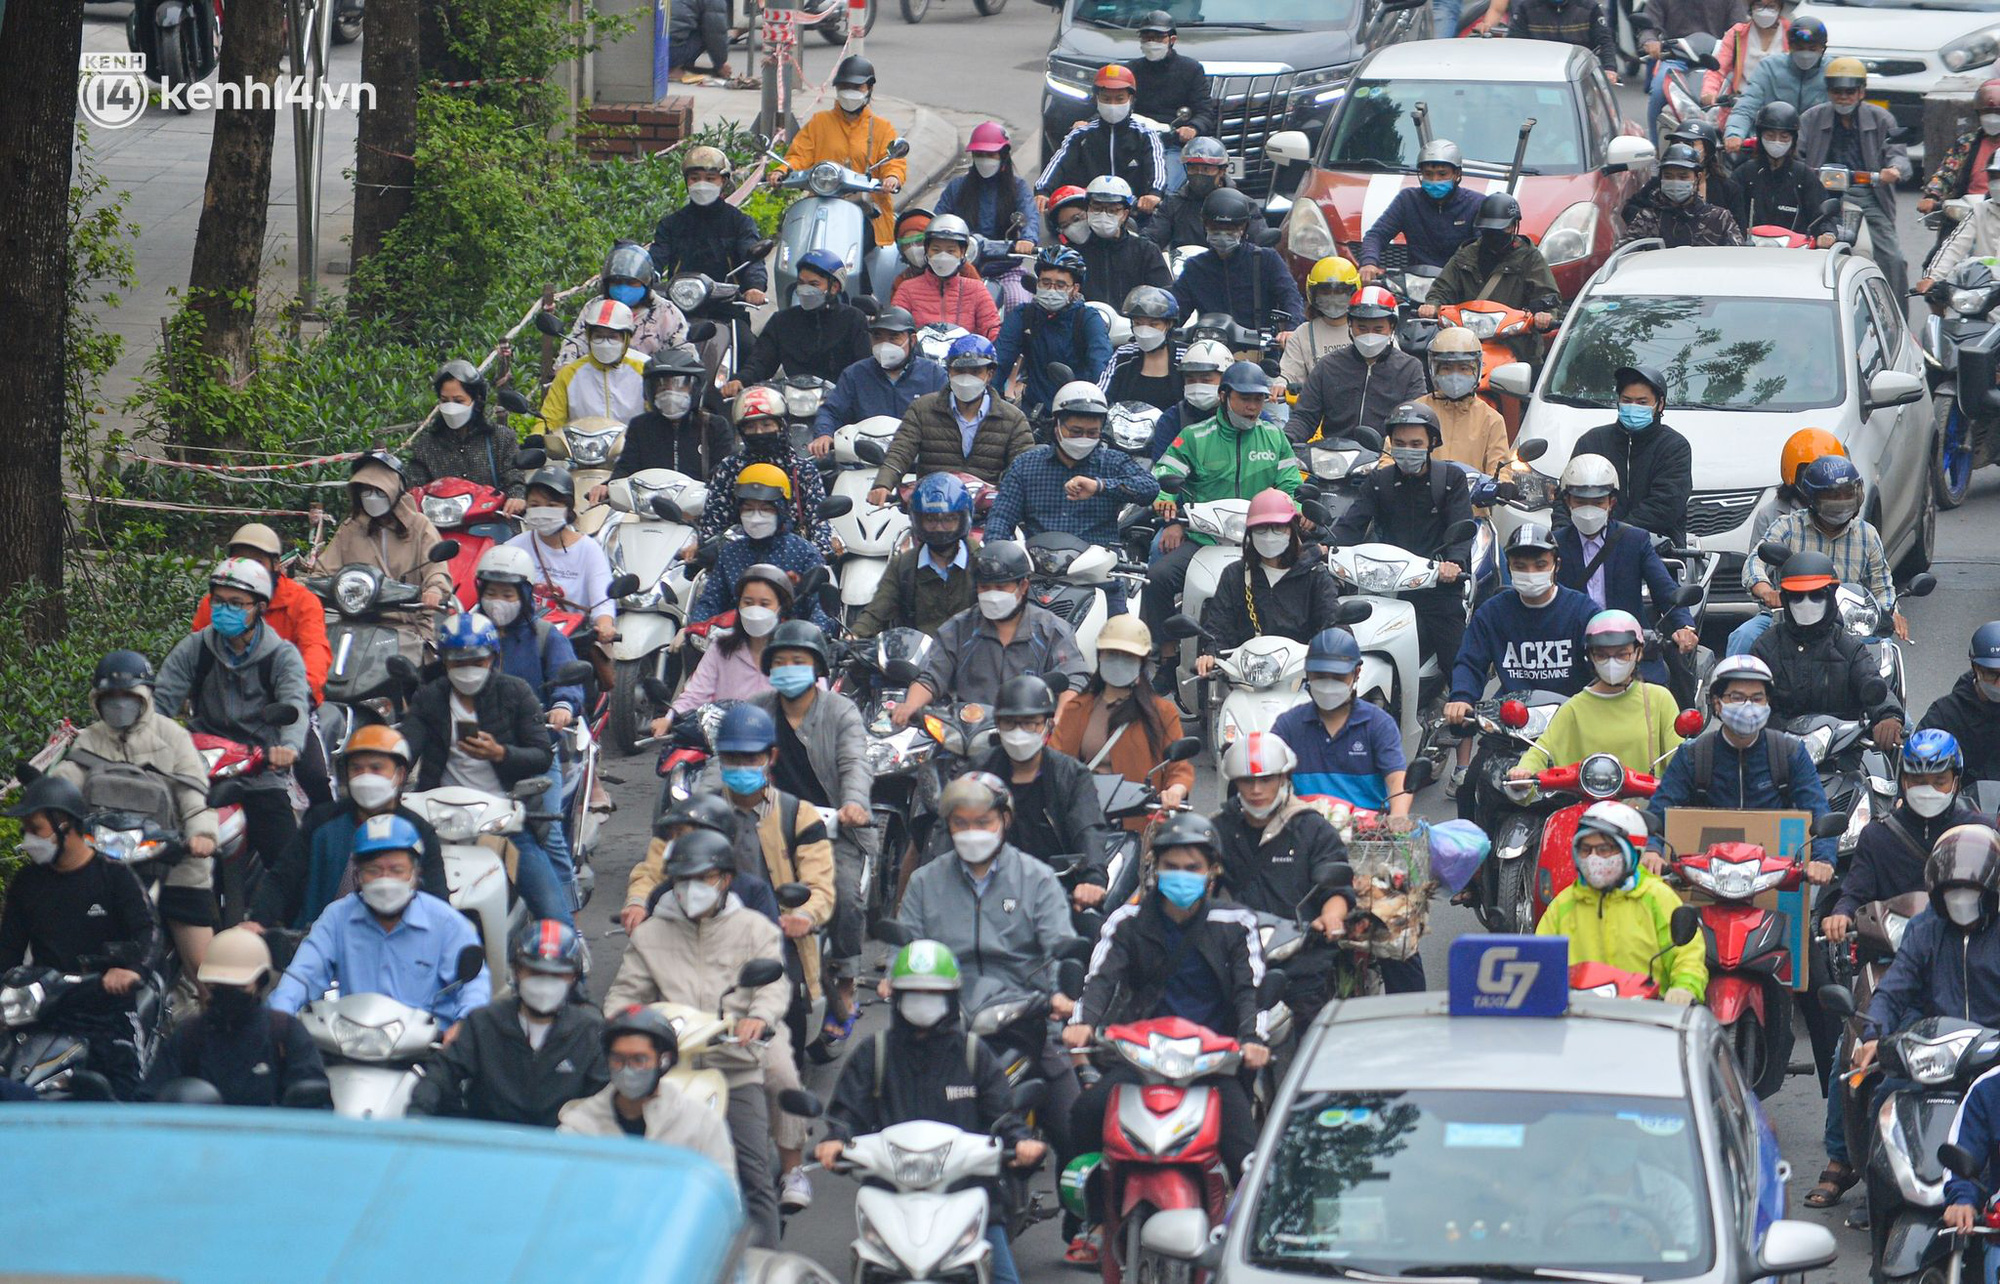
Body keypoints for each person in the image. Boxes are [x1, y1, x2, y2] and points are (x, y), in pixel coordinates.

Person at [1812, 729, 1979, 1206]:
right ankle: (1844, 1158)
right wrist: (1842, 914)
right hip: (1890, 959)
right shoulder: (1879, 836)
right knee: (1856, 1048)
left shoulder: (1980, 829)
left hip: (1966, 957)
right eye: (1916, 776)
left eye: (1938, 777)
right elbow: (1855, 889)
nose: (1927, 785)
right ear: (1901, 780)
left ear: (1955, 779)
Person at [894, 777, 1081, 1200]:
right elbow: (904, 948)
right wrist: (896, 979)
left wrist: (1058, 997)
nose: (972, 832)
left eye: (983, 821)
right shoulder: (925, 882)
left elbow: (1058, 949)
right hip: (944, 1019)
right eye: (961, 823)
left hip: (1024, 1018)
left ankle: (1082, 1225)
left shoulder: (1036, 879)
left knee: (1073, 1117)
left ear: (1004, 820)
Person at [601, 829, 789, 1246]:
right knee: (627, 1163)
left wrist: (757, 1018)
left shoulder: (755, 929)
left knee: (753, 1174)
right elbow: (625, 994)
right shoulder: (650, 934)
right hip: (667, 1070)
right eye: (681, 880)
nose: (691, 889)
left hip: (734, 1065)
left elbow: (773, 986)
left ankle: (767, 1262)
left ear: (724, 880)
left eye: (703, 878)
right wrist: (622, 1021)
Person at [820, 941, 1046, 1284]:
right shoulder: (875, 1052)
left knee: (1004, 1278)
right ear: (897, 997)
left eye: (932, 992)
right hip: (892, 1196)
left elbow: (1003, 1116)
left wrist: (1020, 1142)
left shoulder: (973, 1055)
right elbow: (847, 1111)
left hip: (967, 1193)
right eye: (914, 992)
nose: (923, 1000)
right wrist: (835, 1139)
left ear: (951, 997)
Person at [1063, 814, 1268, 1183]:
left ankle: (1245, 1236)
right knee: (1085, 1113)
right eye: (1171, 866)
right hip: (1141, 1059)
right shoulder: (1127, 920)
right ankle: (1088, 1223)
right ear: (1155, 867)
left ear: (1212, 871)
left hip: (1212, 1063)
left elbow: (1248, 990)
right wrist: (1082, 1024)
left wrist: (1251, 1040)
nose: (1181, 875)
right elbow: (1100, 980)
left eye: (1192, 867)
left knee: (1247, 1159)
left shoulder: (1236, 923)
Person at [724, 621, 875, 1046]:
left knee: (843, 895)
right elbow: (726, 762)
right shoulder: (756, 708)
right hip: (764, 823)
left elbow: (854, 763)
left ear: (817, 667)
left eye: (799, 661)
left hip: (831, 832)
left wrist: (855, 803)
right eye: (781, 662)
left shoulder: (840, 711)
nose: (789, 668)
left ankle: (844, 979)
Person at [399, 612, 575, 927]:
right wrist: (390, 766)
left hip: (502, 824)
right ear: (445, 663)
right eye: (457, 662)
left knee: (554, 916)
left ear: (493, 659)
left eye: (477, 662)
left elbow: (540, 755)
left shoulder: (516, 692)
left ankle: (569, 953)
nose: (467, 670)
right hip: (440, 821)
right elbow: (406, 748)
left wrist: (500, 753)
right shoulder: (430, 698)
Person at [52, 650, 219, 973]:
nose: (119, 704)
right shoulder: (87, 740)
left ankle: (211, 1010)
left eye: (127, 696)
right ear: (96, 700)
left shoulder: (174, 737)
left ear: (145, 697)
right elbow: (67, 785)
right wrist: (48, 810)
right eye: (109, 697)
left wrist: (202, 835)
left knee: (206, 968)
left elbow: (193, 796)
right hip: (104, 866)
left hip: (174, 864)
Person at [155, 558, 312, 890]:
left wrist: (289, 748)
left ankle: (292, 931)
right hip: (201, 767)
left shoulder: (282, 656)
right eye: (219, 601)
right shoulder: (195, 648)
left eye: (237, 604)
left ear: (259, 608)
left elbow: (295, 705)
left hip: (261, 770)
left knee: (289, 864)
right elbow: (161, 702)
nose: (225, 610)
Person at [0, 776, 161, 1099]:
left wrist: (131, 971)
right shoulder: (26, 882)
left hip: (107, 1011)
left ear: (65, 826)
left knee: (126, 1089)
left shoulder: (114, 877)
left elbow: (149, 932)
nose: (28, 838)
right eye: (26, 829)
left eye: (36, 828)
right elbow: (8, 950)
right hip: (44, 1010)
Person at [1145, 361, 1303, 680]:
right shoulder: (1194, 436)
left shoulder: (1274, 437)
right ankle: (1166, 657)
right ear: (1223, 396)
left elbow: (1291, 483)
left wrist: (1296, 506)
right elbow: (1164, 474)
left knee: (1305, 576)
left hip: (1261, 538)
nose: (1252, 406)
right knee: (1158, 578)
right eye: (1244, 398)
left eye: (1258, 399)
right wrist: (1167, 504)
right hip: (1203, 539)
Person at [267, 814, 491, 1027]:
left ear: (415, 873)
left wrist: (463, 1026)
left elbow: (474, 986)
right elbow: (303, 975)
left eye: (397, 870)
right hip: (352, 1041)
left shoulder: (448, 924)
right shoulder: (337, 918)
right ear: (357, 875)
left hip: (429, 1049)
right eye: (373, 871)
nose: (385, 880)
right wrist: (280, 1015)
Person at [711, 704, 839, 1061]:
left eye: (750, 758)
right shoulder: (701, 812)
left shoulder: (798, 814)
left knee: (791, 1021)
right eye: (731, 758)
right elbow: (657, 867)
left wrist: (806, 915)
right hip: (709, 927)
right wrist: (639, 902)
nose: (740, 766)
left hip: (779, 929)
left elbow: (821, 886)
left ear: (771, 757)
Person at [1447, 525, 1599, 804]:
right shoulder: (1492, 612)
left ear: (1556, 565)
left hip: (1572, 726)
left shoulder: (1582, 611)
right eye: (1520, 565)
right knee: (1471, 789)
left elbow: (1603, 660)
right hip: (1510, 729)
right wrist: (1461, 699)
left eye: (1540, 564)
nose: (1531, 573)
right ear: (1509, 566)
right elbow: (1470, 661)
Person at [1213, 732, 1355, 1030]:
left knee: (1311, 1041)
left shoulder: (1312, 827)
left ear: (1284, 778)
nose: (1256, 789)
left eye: (1266, 779)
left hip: (1301, 957)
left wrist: (1330, 917)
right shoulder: (1218, 829)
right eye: (1246, 780)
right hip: (1235, 956)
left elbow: (1336, 884)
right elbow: (1198, 881)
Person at [248, 724, 449, 934]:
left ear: (399, 775)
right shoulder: (321, 822)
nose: (365, 776)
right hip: (318, 940)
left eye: (376, 768)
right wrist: (258, 920)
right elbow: (283, 877)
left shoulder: (419, 830)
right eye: (357, 769)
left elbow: (437, 896)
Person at [981, 380, 1161, 614]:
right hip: (1037, 576)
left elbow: (1149, 488)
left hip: (1098, 579)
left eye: (1091, 433)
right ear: (1057, 425)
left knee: (1121, 641)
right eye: (1076, 431)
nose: (1083, 438)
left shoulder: (1113, 462)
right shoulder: (1027, 465)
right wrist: (997, 557)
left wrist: (1100, 486)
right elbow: (1001, 519)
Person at [407, 918, 607, 1127]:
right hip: (488, 1147)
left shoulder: (590, 1031)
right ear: (517, 971)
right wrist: (418, 1114)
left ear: (573, 978)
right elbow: (441, 1074)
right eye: (535, 972)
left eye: (558, 975)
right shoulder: (483, 1022)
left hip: (560, 1149)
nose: (546, 983)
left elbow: (605, 1100)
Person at [1644, 656, 1836, 872]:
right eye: (1737, 697)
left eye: (1757, 698)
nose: (1747, 706)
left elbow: (1817, 810)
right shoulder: (1693, 755)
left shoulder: (1789, 753)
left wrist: (1823, 860)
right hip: (1705, 877)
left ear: (1768, 703)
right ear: (1717, 703)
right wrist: (1652, 849)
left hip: (1773, 878)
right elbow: (1661, 810)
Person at [1328, 401, 1475, 673]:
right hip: (1383, 584)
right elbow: (1352, 523)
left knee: (1456, 660)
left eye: (1416, 444)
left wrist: (1453, 564)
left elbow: (1461, 527)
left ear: (1432, 443)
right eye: (1400, 443)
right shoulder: (1378, 481)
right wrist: (1326, 546)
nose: (1407, 450)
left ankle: (1463, 707)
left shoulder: (1451, 479)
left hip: (1434, 584)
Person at [474, 544, 583, 904]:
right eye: (491, 593)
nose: (498, 601)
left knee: (545, 833)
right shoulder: (468, 633)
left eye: (508, 593)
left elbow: (568, 681)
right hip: (473, 751)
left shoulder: (545, 637)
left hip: (533, 749)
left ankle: (570, 925)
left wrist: (563, 706)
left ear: (524, 595)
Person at [1852, 826, 2000, 1074]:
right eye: (1953, 891)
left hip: (1993, 1061)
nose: (1961, 899)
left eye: (1970, 890)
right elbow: (1892, 990)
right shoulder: (1924, 932)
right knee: (1881, 1098)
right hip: (1933, 1058)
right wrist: (1874, 1037)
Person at [892, 542, 1088, 725]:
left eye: (1001, 587)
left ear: (1024, 586)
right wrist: (910, 706)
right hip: (968, 733)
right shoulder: (957, 629)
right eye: (985, 587)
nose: (992, 595)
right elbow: (932, 677)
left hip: (1030, 733)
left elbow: (1073, 677)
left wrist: (1061, 719)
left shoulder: (1052, 630)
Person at [1554, 453, 1700, 689]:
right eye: (1581, 501)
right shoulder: (1554, 546)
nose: (1589, 510)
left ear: (1611, 502)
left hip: (1629, 649)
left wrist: (1684, 627)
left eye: (1598, 501)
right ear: (1568, 501)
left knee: (1665, 702)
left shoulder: (1634, 540)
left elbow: (1665, 590)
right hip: (1573, 652)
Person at [1536, 801, 1707, 1002]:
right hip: (1578, 1018)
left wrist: (1685, 988)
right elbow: (1540, 961)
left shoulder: (1658, 898)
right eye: (1585, 849)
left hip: (1648, 1019)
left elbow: (1687, 956)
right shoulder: (1563, 904)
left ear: (1632, 853)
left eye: (1604, 849)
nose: (1593, 858)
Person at [1733, 454, 1902, 655]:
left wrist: (1890, 612)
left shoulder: (1867, 535)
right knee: (1743, 636)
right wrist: (1767, 591)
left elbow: (1882, 587)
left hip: (1846, 623)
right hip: (1787, 617)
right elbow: (1755, 563)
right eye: (1833, 496)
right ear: (1812, 498)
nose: (1842, 502)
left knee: (1883, 650)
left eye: (1847, 494)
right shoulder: (1787, 526)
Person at [961, 677, 1115, 896]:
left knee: (1093, 927)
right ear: (998, 725)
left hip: (1056, 892)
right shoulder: (977, 773)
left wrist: (1092, 879)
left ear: (1047, 724)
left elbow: (1087, 827)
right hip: (988, 891)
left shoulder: (1071, 774)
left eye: (1029, 722)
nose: (1018, 731)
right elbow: (950, 830)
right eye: (1009, 722)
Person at [139, 926, 326, 1106]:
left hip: (272, 1136)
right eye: (219, 986)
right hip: (203, 1136)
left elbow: (316, 1103)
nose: (228, 994)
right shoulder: (189, 1037)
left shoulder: (284, 1033)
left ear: (260, 982)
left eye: (239, 986)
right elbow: (150, 1100)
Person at [1751, 550, 1905, 747]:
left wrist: (1890, 715)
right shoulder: (1765, 647)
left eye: (1816, 595)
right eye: (1797, 597)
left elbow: (1871, 682)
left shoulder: (1848, 647)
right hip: (1778, 751)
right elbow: (1747, 696)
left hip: (1841, 753)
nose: (1806, 603)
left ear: (1831, 596)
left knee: (1881, 774)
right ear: (1786, 599)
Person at [1510, 610, 1683, 781]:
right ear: (1590, 657)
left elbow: (1678, 757)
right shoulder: (1574, 708)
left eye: (1622, 654)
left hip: (1645, 805)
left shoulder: (1658, 699)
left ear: (1639, 653)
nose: (1611, 662)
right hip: (1588, 807)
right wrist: (1522, 772)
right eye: (1601, 655)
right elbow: (1541, 751)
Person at [1048, 616, 1195, 817]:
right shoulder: (1077, 709)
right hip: (1085, 820)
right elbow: (1055, 763)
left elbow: (1179, 770)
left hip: (1142, 823)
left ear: (1141, 661)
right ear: (1100, 656)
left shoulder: (1162, 713)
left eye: (1128, 656)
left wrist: (1174, 791)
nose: (1118, 661)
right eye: (1112, 654)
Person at [557, 1005, 737, 1169]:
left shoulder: (701, 1123)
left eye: (639, 1060)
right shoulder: (579, 1126)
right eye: (618, 1059)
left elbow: (725, 1194)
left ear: (663, 1061)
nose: (627, 1069)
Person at [310, 451, 454, 655]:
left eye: (379, 491)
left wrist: (434, 590)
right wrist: (313, 588)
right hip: (355, 626)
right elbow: (323, 572)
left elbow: (436, 569)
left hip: (407, 628)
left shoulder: (420, 526)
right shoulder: (350, 529)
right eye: (366, 491)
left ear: (394, 491)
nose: (372, 497)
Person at [647, 145, 770, 379]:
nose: (702, 184)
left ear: (723, 181)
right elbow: (657, 257)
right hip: (677, 310)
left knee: (752, 353)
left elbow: (752, 258)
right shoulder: (671, 224)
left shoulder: (740, 223)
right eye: (695, 178)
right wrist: (644, 279)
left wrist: (754, 287)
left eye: (710, 178)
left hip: (727, 310)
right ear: (686, 182)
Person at [1273, 628, 1415, 825]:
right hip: (1304, 834)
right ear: (1308, 674)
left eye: (1337, 677)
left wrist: (1398, 816)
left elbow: (1396, 779)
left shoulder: (1378, 724)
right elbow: (1268, 780)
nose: (1328, 684)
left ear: (1357, 673)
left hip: (1367, 835)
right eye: (1320, 676)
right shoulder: (1288, 726)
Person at [869, 333, 1036, 498]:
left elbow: (1024, 469)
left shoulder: (1013, 419)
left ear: (989, 374)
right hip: (933, 510)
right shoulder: (922, 409)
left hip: (989, 515)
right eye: (959, 370)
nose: (966, 377)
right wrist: (884, 484)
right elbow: (901, 451)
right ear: (949, 371)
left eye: (975, 371)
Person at [1797, 58, 1910, 297]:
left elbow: (1900, 157)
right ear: (1828, 91)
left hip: (1868, 196)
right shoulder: (1810, 118)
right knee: (1799, 250)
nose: (1844, 97)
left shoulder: (1884, 119)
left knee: (1893, 259)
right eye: (1838, 91)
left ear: (1861, 91)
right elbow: (1796, 155)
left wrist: (1894, 170)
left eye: (1850, 91)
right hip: (1819, 196)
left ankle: (1898, 320)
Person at [190, 521, 331, 709]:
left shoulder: (302, 602)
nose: (249, 569)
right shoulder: (213, 603)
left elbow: (315, 649)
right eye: (241, 560)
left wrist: (299, 690)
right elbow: (195, 652)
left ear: (276, 564)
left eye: (258, 562)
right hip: (223, 705)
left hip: (286, 704)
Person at [770, 56, 905, 251]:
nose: (849, 92)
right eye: (844, 87)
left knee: (860, 255)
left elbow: (893, 162)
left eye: (856, 87)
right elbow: (799, 155)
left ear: (869, 89)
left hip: (865, 211)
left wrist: (892, 177)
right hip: (821, 205)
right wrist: (782, 169)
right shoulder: (819, 122)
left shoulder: (883, 129)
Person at [1197, 488, 1340, 664]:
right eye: (1261, 528)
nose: (1269, 536)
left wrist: (1335, 649)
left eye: (1278, 528)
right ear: (1250, 533)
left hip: (1300, 674)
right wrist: (1211, 654)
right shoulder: (1234, 574)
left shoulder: (1314, 574)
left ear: (1292, 530)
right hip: (1246, 675)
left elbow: (1333, 622)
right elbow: (1218, 626)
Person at [688, 465, 836, 634]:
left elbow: (820, 606)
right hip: (734, 643)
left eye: (765, 509)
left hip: (787, 645)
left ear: (781, 510)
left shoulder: (804, 553)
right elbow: (711, 601)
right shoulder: (730, 553)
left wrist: (814, 633)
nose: (756, 518)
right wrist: (693, 629)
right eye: (748, 509)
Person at [1420, 191, 1563, 367]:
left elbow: (1547, 297)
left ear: (1513, 226)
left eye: (1502, 228)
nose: (1495, 234)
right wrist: (1432, 305)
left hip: (1516, 348)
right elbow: (1441, 289)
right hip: (1466, 347)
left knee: (1531, 381)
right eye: (1489, 229)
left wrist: (1545, 316)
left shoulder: (1530, 258)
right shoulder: (1465, 255)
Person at [505, 466, 618, 678]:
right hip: (523, 644)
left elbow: (603, 600)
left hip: (572, 645)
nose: (542, 511)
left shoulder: (588, 549)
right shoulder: (513, 548)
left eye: (552, 505)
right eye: (535, 505)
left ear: (568, 507)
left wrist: (604, 624)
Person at [701, 386, 834, 557]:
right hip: (738, 561)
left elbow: (819, 524)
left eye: (766, 425)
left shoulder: (802, 470)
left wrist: (816, 556)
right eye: (751, 427)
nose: (759, 432)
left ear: (782, 425)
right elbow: (712, 525)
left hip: (793, 562)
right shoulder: (729, 469)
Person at [1568, 365, 1694, 546]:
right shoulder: (1592, 441)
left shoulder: (1674, 447)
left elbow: (1666, 505)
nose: (1633, 407)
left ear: (1660, 404)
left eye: (1642, 402)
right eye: (1627, 400)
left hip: (1655, 549)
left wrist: (1615, 535)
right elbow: (1565, 497)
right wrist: (1563, 541)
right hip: (1590, 545)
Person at [1286, 285, 1427, 445]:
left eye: (1378, 329)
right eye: (1362, 328)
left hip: (1386, 458)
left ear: (1392, 327)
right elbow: (1304, 417)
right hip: (1332, 457)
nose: (1369, 335)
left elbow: (1414, 421)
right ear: (1350, 325)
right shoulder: (1328, 366)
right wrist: (1284, 442)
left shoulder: (1410, 368)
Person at [850, 473, 980, 641]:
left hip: (972, 659)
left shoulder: (981, 561)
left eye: (949, 519)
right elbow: (877, 612)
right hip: (921, 661)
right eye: (930, 520)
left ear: (963, 518)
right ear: (917, 520)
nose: (939, 528)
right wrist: (853, 636)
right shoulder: (904, 566)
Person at [662, 564, 784, 737]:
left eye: (765, 604)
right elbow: (696, 692)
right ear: (738, 605)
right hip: (725, 743)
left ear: (780, 607)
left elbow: (814, 705)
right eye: (748, 603)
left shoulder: (794, 652)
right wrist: (669, 718)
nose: (755, 610)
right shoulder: (720, 647)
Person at [591, 348, 736, 492]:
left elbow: (723, 471)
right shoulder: (640, 426)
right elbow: (626, 469)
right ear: (651, 391)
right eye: (662, 387)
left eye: (679, 385)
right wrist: (607, 487)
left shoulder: (714, 426)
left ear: (694, 389)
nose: (670, 393)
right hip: (648, 506)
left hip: (700, 508)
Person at [731, 251, 874, 394]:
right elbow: (761, 361)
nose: (805, 289)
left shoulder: (853, 319)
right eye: (801, 283)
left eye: (814, 284)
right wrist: (741, 380)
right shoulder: (782, 321)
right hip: (793, 402)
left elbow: (863, 370)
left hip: (841, 403)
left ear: (834, 287)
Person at [811, 306, 949, 455]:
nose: (884, 344)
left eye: (894, 337)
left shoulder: (934, 375)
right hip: (863, 460)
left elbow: (949, 420)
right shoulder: (855, 374)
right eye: (877, 337)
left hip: (918, 461)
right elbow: (831, 411)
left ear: (912, 340)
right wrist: (824, 434)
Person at [935, 121, 1040, 308]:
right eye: (979, 155)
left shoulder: (1018, 188)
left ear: (1003, 156)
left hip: (1005, 269)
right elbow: (936, 221)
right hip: (960, 270)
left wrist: (1028, 240)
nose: (984, 160)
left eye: (990, 155)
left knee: (1019, 304)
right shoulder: (957, 187)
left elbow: (1030, 216)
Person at [994, 247, 1112, 412]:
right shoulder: (1024, 315)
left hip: (1078, 412)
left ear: (1075, 289)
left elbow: (1100, 366)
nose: (1051, 290)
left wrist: (1094, 408)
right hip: (1034, 410)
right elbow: (1000, 360)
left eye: (1060, 285)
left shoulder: (1087, 318)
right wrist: (989, 401)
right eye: (1046, 282)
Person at [405, 360, 529, 514]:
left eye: (458, 401)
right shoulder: (425, 445)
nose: (451, 407)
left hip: (494, 522)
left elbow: (513, 475)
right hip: (442, 527)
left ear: (477, 400)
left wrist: (516, 497)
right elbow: (413, 487)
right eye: (444, 401)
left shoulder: (500, 437)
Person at [1173, 187, 1304, 332]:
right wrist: (1161, 327)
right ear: (1205, 227)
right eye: (1215, 227)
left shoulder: (1267, 260)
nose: (1223, 234)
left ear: (1243, 228)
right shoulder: (1195, 268)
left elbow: (1290, 297)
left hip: (1260, 349)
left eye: (1230, 228)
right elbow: (1177, 312)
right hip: (1209, 347)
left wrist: (1291, 331)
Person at [1037, 64, 1169, 205]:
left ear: (1131, 100)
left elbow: (1157, 167)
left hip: (1133, 213)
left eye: (1119, 99)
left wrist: (1154, 194)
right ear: (1097, 99)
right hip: (1088, 210)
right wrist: (1043, 191)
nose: (1112, 104)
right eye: (1106, 99)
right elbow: (1059, 162)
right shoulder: (1080, 135)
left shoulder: (1146, 135)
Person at [1358, 140, 1484, 279]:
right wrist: (1369, 262)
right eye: (1428, 174)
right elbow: (1377, 235)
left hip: (1460, 285)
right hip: (1416, 284)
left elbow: (1484, 249)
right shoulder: (1407, 200)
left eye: (1442, 174)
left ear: (1457, 174)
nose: (1435, 180)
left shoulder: (1476, 204)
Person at [557, 241, 692, 366]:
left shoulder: (666, 312)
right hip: (598, 382)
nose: (623, 288)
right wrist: (566, 366)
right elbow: (577, 341)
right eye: (616, 282)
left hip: (647, 385)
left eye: (631, 283)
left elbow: (683, 352)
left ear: (646, 282)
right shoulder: (595, 308)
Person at [1638, 0, 1750, 138]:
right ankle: (1656, 150)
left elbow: (1740, 29)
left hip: (1718, 59)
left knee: (1741, 95)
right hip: (1676, 58)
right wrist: (1650, 41)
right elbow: (1650, 24)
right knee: (1659, 91)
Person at [540, 298, 649, 431]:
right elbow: (550, 418)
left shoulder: (645, 371)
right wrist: (538, 435)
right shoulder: (569, 374)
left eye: (612, 337)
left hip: (634, 448)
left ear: (626, 338)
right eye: (598, 336)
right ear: (589, 336)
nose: (605, 343)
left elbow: (657, 415)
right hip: (582, 449)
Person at [1417, 327, 1511, 477]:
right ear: (1434, 370)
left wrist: (1503, 483)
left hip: (1470, 499)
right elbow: (1392, 455)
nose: (1455, 376)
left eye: (1464, 368)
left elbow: (1499, 467)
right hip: (1421, 497)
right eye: (1447, 368)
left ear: (1477, 370)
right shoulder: (1418, 412)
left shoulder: (1491, 419)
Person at [1723, 15, 1829, 147]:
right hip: (1772, 144)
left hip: (1817, 148)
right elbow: (1747, 105)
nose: (1805, 54)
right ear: (1790, 47)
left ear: (1823, 49)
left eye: (1812, 49)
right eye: (1800, 48)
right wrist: (1735, 133)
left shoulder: (1832, 71)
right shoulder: (1769, 68)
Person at [1145, 137, 1267, 250]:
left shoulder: (1245, 204)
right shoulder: (1173, 204)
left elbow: (1260, 244)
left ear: (1222, 171)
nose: (1199, 174)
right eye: (1193, 168)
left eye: (1206, 169)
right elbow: (1153, 238)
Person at [892, 214, 1003, 339]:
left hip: (966, 356)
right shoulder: (907, 289)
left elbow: (992, 329)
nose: (943, 256)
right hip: (920, 357)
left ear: (962, 253)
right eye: (936, 249)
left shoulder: (976, 289)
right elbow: (895, 330)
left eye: (950, 251)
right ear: (927, 250)